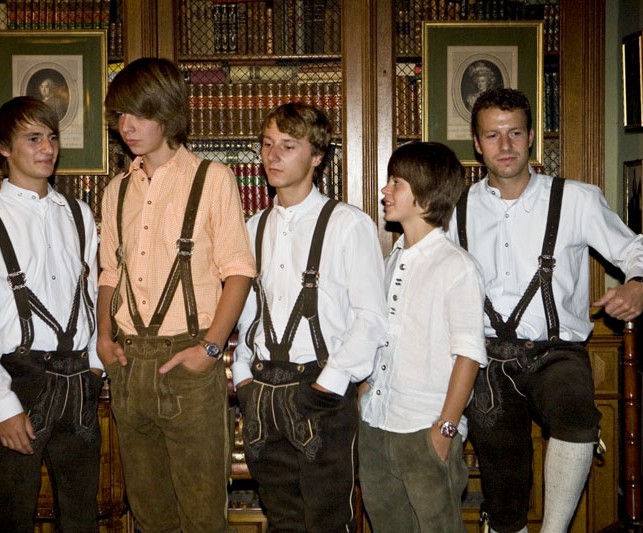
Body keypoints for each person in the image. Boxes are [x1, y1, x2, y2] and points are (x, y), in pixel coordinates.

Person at [448, 88, 643, 533]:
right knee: (504, 493)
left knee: (575, 412)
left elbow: (635, 251)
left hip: (556, 353)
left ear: (531, 138)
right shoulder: (456, 208)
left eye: (514, 133)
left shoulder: (577, 199)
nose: (505, 145)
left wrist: (639, 286)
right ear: (477, 143)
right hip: (484, 359)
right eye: (492, 135)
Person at [97, 57, 256, 532]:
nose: (127, 126)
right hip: (129, 363)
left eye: (139, 114)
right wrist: (103, 338)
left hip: (188, 360)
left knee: (202, 516)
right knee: (149, 516)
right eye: (120, 115)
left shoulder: (213, 179)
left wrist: (211, 349)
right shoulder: (116, 190)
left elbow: (239, 271)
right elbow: (110, 273)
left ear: (167, 112)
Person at [233, 102, 388, 533]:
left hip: (319, 390)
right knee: (283, 521)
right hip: (262, 391)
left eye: (288, 145)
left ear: (317, 155)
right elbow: (248, 314)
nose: (273, 155)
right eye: (267, 144)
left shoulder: (348, 224)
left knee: (328, 522)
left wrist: (330, 383)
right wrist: (243, 376)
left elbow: (372, 317)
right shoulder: (253, 227)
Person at [0, 96, 102, 532]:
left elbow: (92, 297)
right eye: (33, 138)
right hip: (20, 381)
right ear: (4, 147)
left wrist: (95, 367)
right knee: (12, 518)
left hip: (80, 383)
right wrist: (1, 403)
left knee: (81, 518)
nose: (47, 148)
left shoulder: (80, 215)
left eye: (52, 137)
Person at [358, 141, 488, 532]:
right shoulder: (392, 260)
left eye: (396, 183)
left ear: (426, 198)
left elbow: (469, 355)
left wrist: (445, 428)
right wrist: (365, 390)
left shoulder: (456, 266)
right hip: (377, 424)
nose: (385, 190)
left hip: (424, 430)